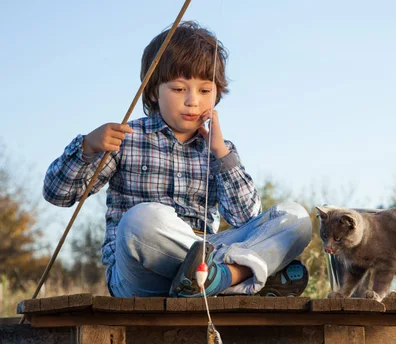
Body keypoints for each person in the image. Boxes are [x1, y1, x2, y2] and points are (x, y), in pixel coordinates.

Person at [43, 21, 312, 298]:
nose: (192, 101)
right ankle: (238, 275)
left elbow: (245, 217)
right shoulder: (126, 138)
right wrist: (87, 147)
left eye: (204, 91)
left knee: (295, 218)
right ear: (152, 91)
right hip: (140, 274)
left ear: (217, 94)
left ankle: (221, 278)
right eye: (178, 89)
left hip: (207, 253)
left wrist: (221, 154)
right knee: (141, 219)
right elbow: (58, 195)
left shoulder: (220, 149)